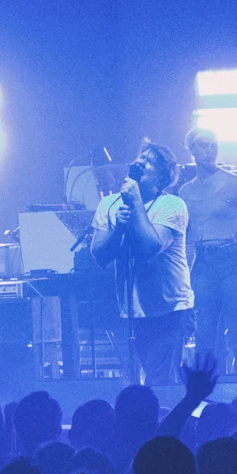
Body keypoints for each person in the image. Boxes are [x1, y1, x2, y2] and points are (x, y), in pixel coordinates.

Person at [90, 139, 193, 387]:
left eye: (147, 162)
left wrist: (136, 202)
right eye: (139, 158)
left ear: (161, 176)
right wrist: (118, 228)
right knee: (139, 383)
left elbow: (150, 248)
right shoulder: (110, 204)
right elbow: (100, 255)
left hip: (170, 310)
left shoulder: (172, 205)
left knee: (159, 383)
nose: (139, 162)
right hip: (133, 311)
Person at [177, 127, 237, 378]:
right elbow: (186, 235)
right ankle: (207, 393)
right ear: (192, 149)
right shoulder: (185, 192)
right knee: (205, 335)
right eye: (204, 145)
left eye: (214, 145)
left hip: (233, 259)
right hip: (203, 264)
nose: (210, 150)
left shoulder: (234, 183)